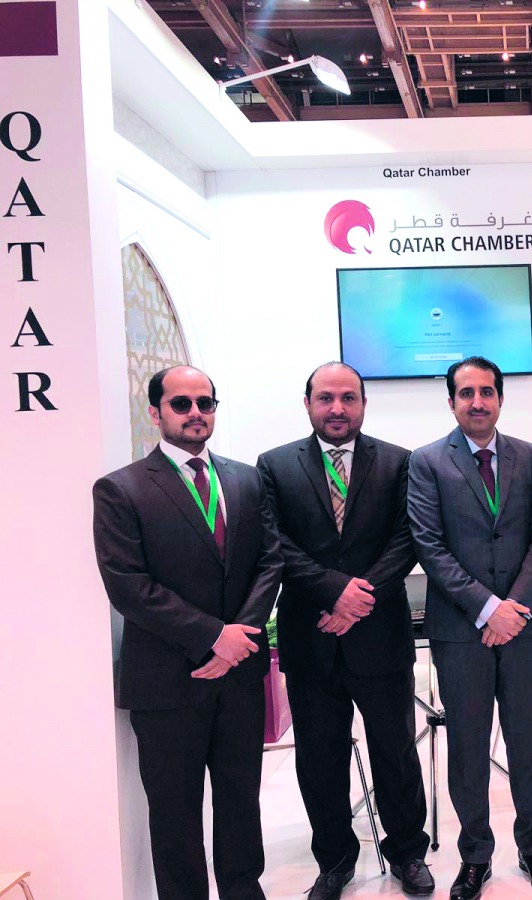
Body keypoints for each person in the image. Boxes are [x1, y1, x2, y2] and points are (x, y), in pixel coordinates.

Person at [93, 365, 283, 900]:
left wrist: (236, 637)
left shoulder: (247, 479)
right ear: (155, 413)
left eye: (206, 402)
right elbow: (128, 585)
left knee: (241, 800)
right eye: (181, 404)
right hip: (167, 680)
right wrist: (211, 636)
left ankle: (244, 891)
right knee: (174, 812)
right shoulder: (120, 489)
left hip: (240, 675)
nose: (196, 413)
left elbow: (271, 563)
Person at [256, 362, 432, 900]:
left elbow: (407, 539)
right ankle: (334, 859)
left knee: (396, 750)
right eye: (326, 398)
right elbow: (274, 544)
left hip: (381, 636)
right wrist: (334, 590)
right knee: (319, 757)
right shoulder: (275, 466)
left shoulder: (399, 462)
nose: (338, 408)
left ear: (363, 403)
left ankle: (408, 852)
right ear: (308, 403)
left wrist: (358, 598)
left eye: (348, 398)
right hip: (311, 637)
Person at [407, 357, 532, 900]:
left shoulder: (529, 456)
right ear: (451, 401)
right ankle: (475, 856)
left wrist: (512, 606)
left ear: (500, 398)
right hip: (460, 630)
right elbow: (430, 545)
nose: (478, 401)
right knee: (467, 747)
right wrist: (485, 607)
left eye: (487, 392)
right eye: (466, 393)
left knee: (527, 743)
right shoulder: (427, 462)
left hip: (522, 626)